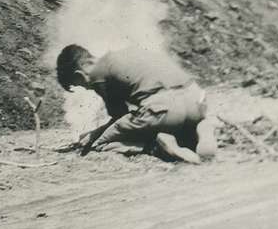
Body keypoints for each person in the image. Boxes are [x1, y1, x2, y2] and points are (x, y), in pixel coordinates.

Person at [55, 44, 217, 164]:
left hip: (167, 110)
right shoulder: (129, 52)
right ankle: (201, 128)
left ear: (80, 73)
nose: (88, 88)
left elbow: (119, 117)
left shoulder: (97, 74)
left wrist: (93, 136)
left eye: (82, 85)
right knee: (161, 118)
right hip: (197, 100)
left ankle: (161, 147)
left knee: (103, 143)